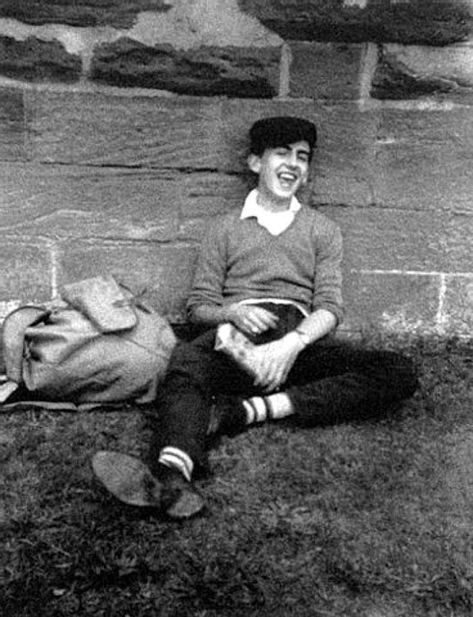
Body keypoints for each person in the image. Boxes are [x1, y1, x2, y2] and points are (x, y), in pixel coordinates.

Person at [92, 116, 418, 520]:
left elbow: (330, 308)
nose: (293, 164)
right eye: (282, 153)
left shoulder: (324, 230)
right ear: (254, 163)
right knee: (185, 364)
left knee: (397, 370)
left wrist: (291, 345)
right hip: (235, 340)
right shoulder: (223, 229)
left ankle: (245, 412)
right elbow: (199, 306)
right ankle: (172, 472)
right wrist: (232, 312)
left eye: (302, 157)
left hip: (299, 340)